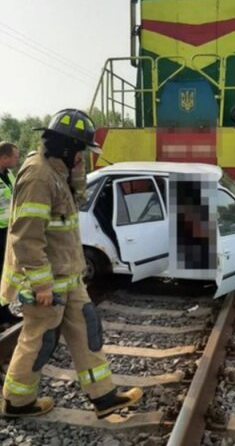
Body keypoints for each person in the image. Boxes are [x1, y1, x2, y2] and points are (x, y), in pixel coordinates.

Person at [0, 109, 143, 418]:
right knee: (38, 342)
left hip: (69, 277)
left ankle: (103, 397)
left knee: (87, 332)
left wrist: (76, 170)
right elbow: (25, 238)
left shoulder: (58, 172)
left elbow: (77, 202)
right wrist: (42, 285)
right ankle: (16, 402)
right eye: (80, 151)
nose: (82, 157)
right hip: (46, 283)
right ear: (66, 148)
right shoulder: (38, 176)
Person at [0, 141, 21, 329]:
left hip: (7, 230)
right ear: (4, 157)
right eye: (15, 156)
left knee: (5, 273)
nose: (17, 159)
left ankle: (5, 313)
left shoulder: (8, 174)